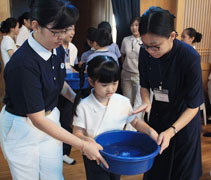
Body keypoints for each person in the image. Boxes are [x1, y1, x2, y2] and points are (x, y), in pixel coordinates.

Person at [0, 1, 108, 180]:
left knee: (54, 175)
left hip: (49, 119)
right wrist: (82, 144)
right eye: (57, 32)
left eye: (67, 30)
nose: (63, 37)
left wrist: (78, 101)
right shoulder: (23, 64)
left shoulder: (55, 49)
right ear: (36, 26)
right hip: (23, 127)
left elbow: (58, 83)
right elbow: (38, 120)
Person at [132, 6, 204, 180]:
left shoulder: (189, 57)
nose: (150, 51)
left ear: (172, 36)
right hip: (158, 117)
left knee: (181, 173)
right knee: (156, 170)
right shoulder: (145, 52)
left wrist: (172, 131)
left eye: (155, 46)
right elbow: (144, 85)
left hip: (183, 123)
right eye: (146, 45)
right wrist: (147, 101)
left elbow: (194, 106)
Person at [72, 55, 158, 180]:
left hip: (116, 153)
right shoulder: (84, 106)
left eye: (114, 83)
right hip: (94, 154)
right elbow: (76, 133)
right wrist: (86, 140)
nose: (111, 89)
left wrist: (150, 131)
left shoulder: (122, 101)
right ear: (91, 82)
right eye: (104, 84)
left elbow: (135, 122)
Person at [58, 24, 78, 165]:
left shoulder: (73, 48)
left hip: (68, 88)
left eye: (73, 29)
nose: (72, 32)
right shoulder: (54, 47)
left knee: (66, 122)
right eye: (69, 29)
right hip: (54, 90)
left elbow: (69, 66)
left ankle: (65, 152)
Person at [121, 17, 142, 124]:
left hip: (139, 75)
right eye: (132, 25)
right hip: (126, 74)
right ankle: (126, 125)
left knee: (138, 104)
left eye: (137, 25)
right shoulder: (125, 40)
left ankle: (136, 127)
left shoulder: (145, 40)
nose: (134, 28)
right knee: (127, 101)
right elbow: (123, 55)